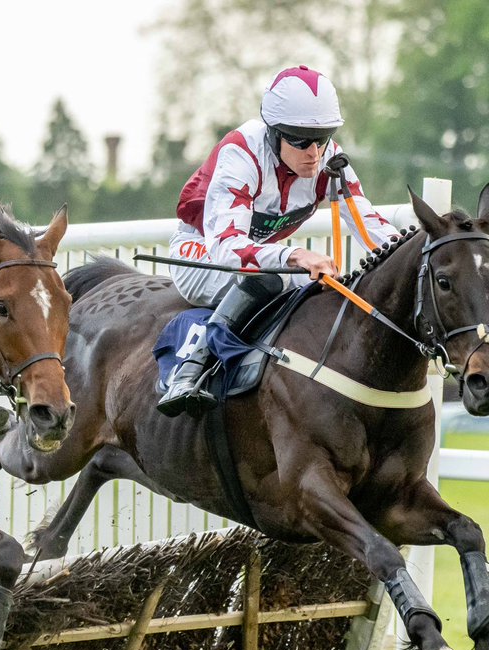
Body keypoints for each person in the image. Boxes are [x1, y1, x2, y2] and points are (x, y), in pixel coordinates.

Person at [157, 65, 399, 417]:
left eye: (323, 138)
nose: (314, 153)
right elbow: (228, 248)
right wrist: (295, 254)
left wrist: (425, 248)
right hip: (202, 253)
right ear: (273, 133)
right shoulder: (241, 152)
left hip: (256, 256)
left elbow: (367, 224)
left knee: (325, 284)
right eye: (300, 141)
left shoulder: (329, 158)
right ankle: (192, 369)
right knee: (277, 276)